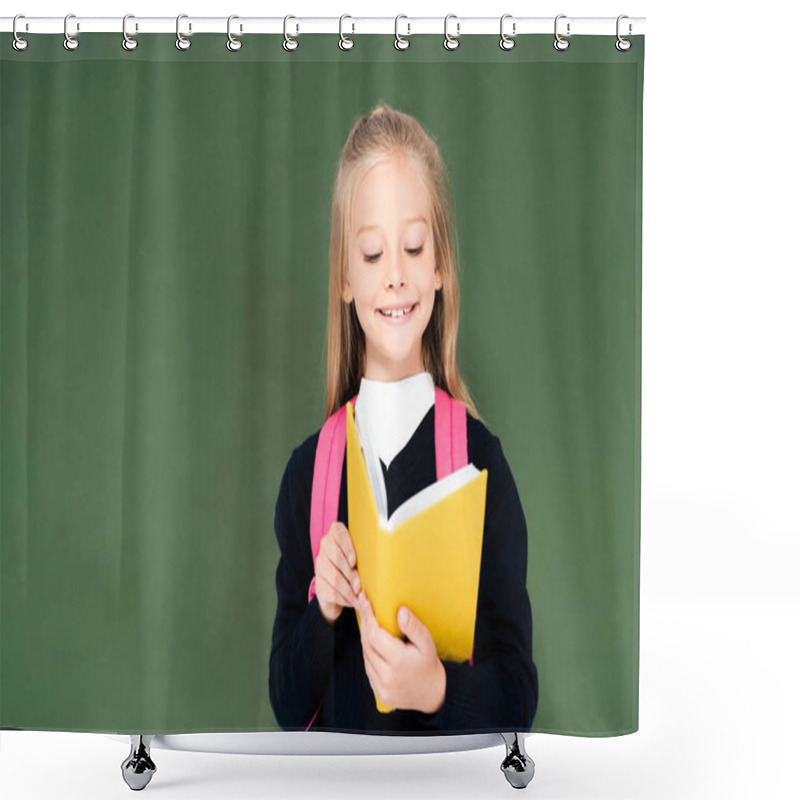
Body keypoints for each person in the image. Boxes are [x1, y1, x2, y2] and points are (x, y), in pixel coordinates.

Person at [269, 103, 537, 734]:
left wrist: (440, 689)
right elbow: (286, 702)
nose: (394, 276)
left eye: (413, 248)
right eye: (371, 254)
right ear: (344, 278)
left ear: (439, 265)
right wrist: (324, 607)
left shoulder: (480, 463)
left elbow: (519, 695)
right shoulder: (307, 475)